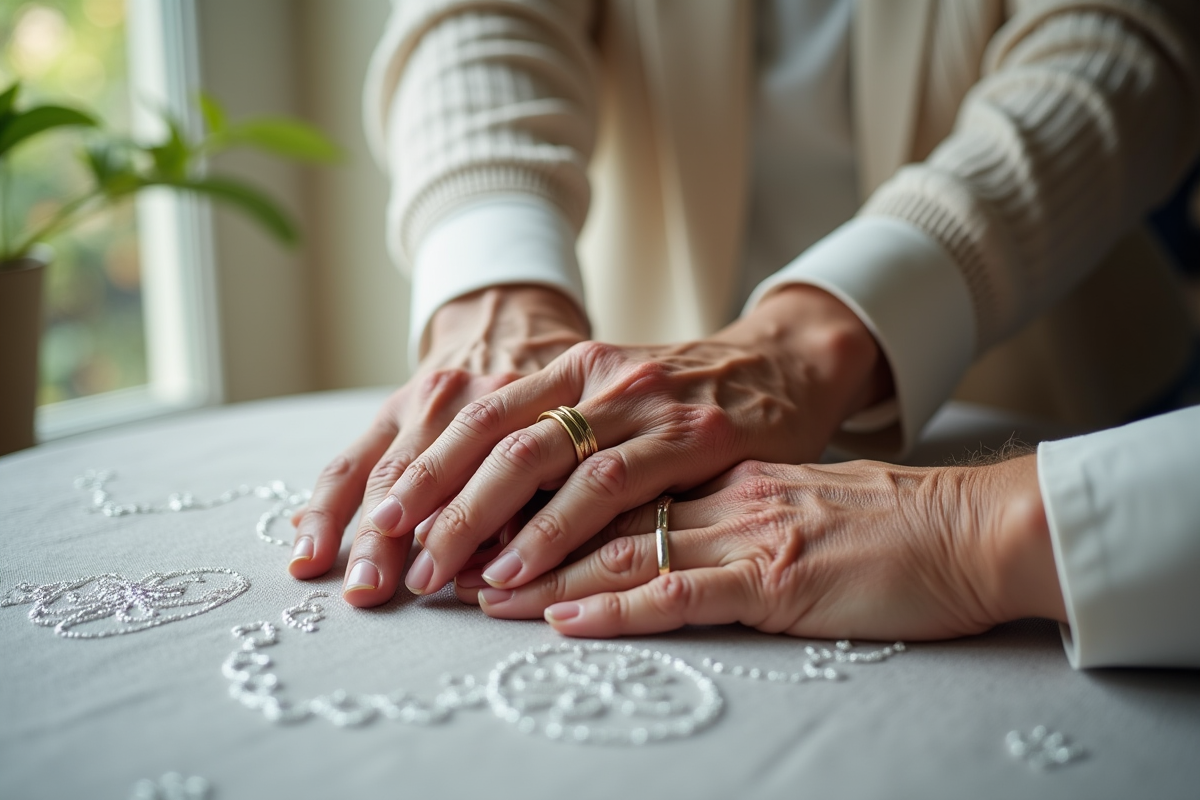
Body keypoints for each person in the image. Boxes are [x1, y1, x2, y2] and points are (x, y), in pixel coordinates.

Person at [287, 0, 1200, 667]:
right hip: (634, 391)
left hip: (1032, 399)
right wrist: (497, 297)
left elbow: (1113, 41)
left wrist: (807, 341)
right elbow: (483, 19)